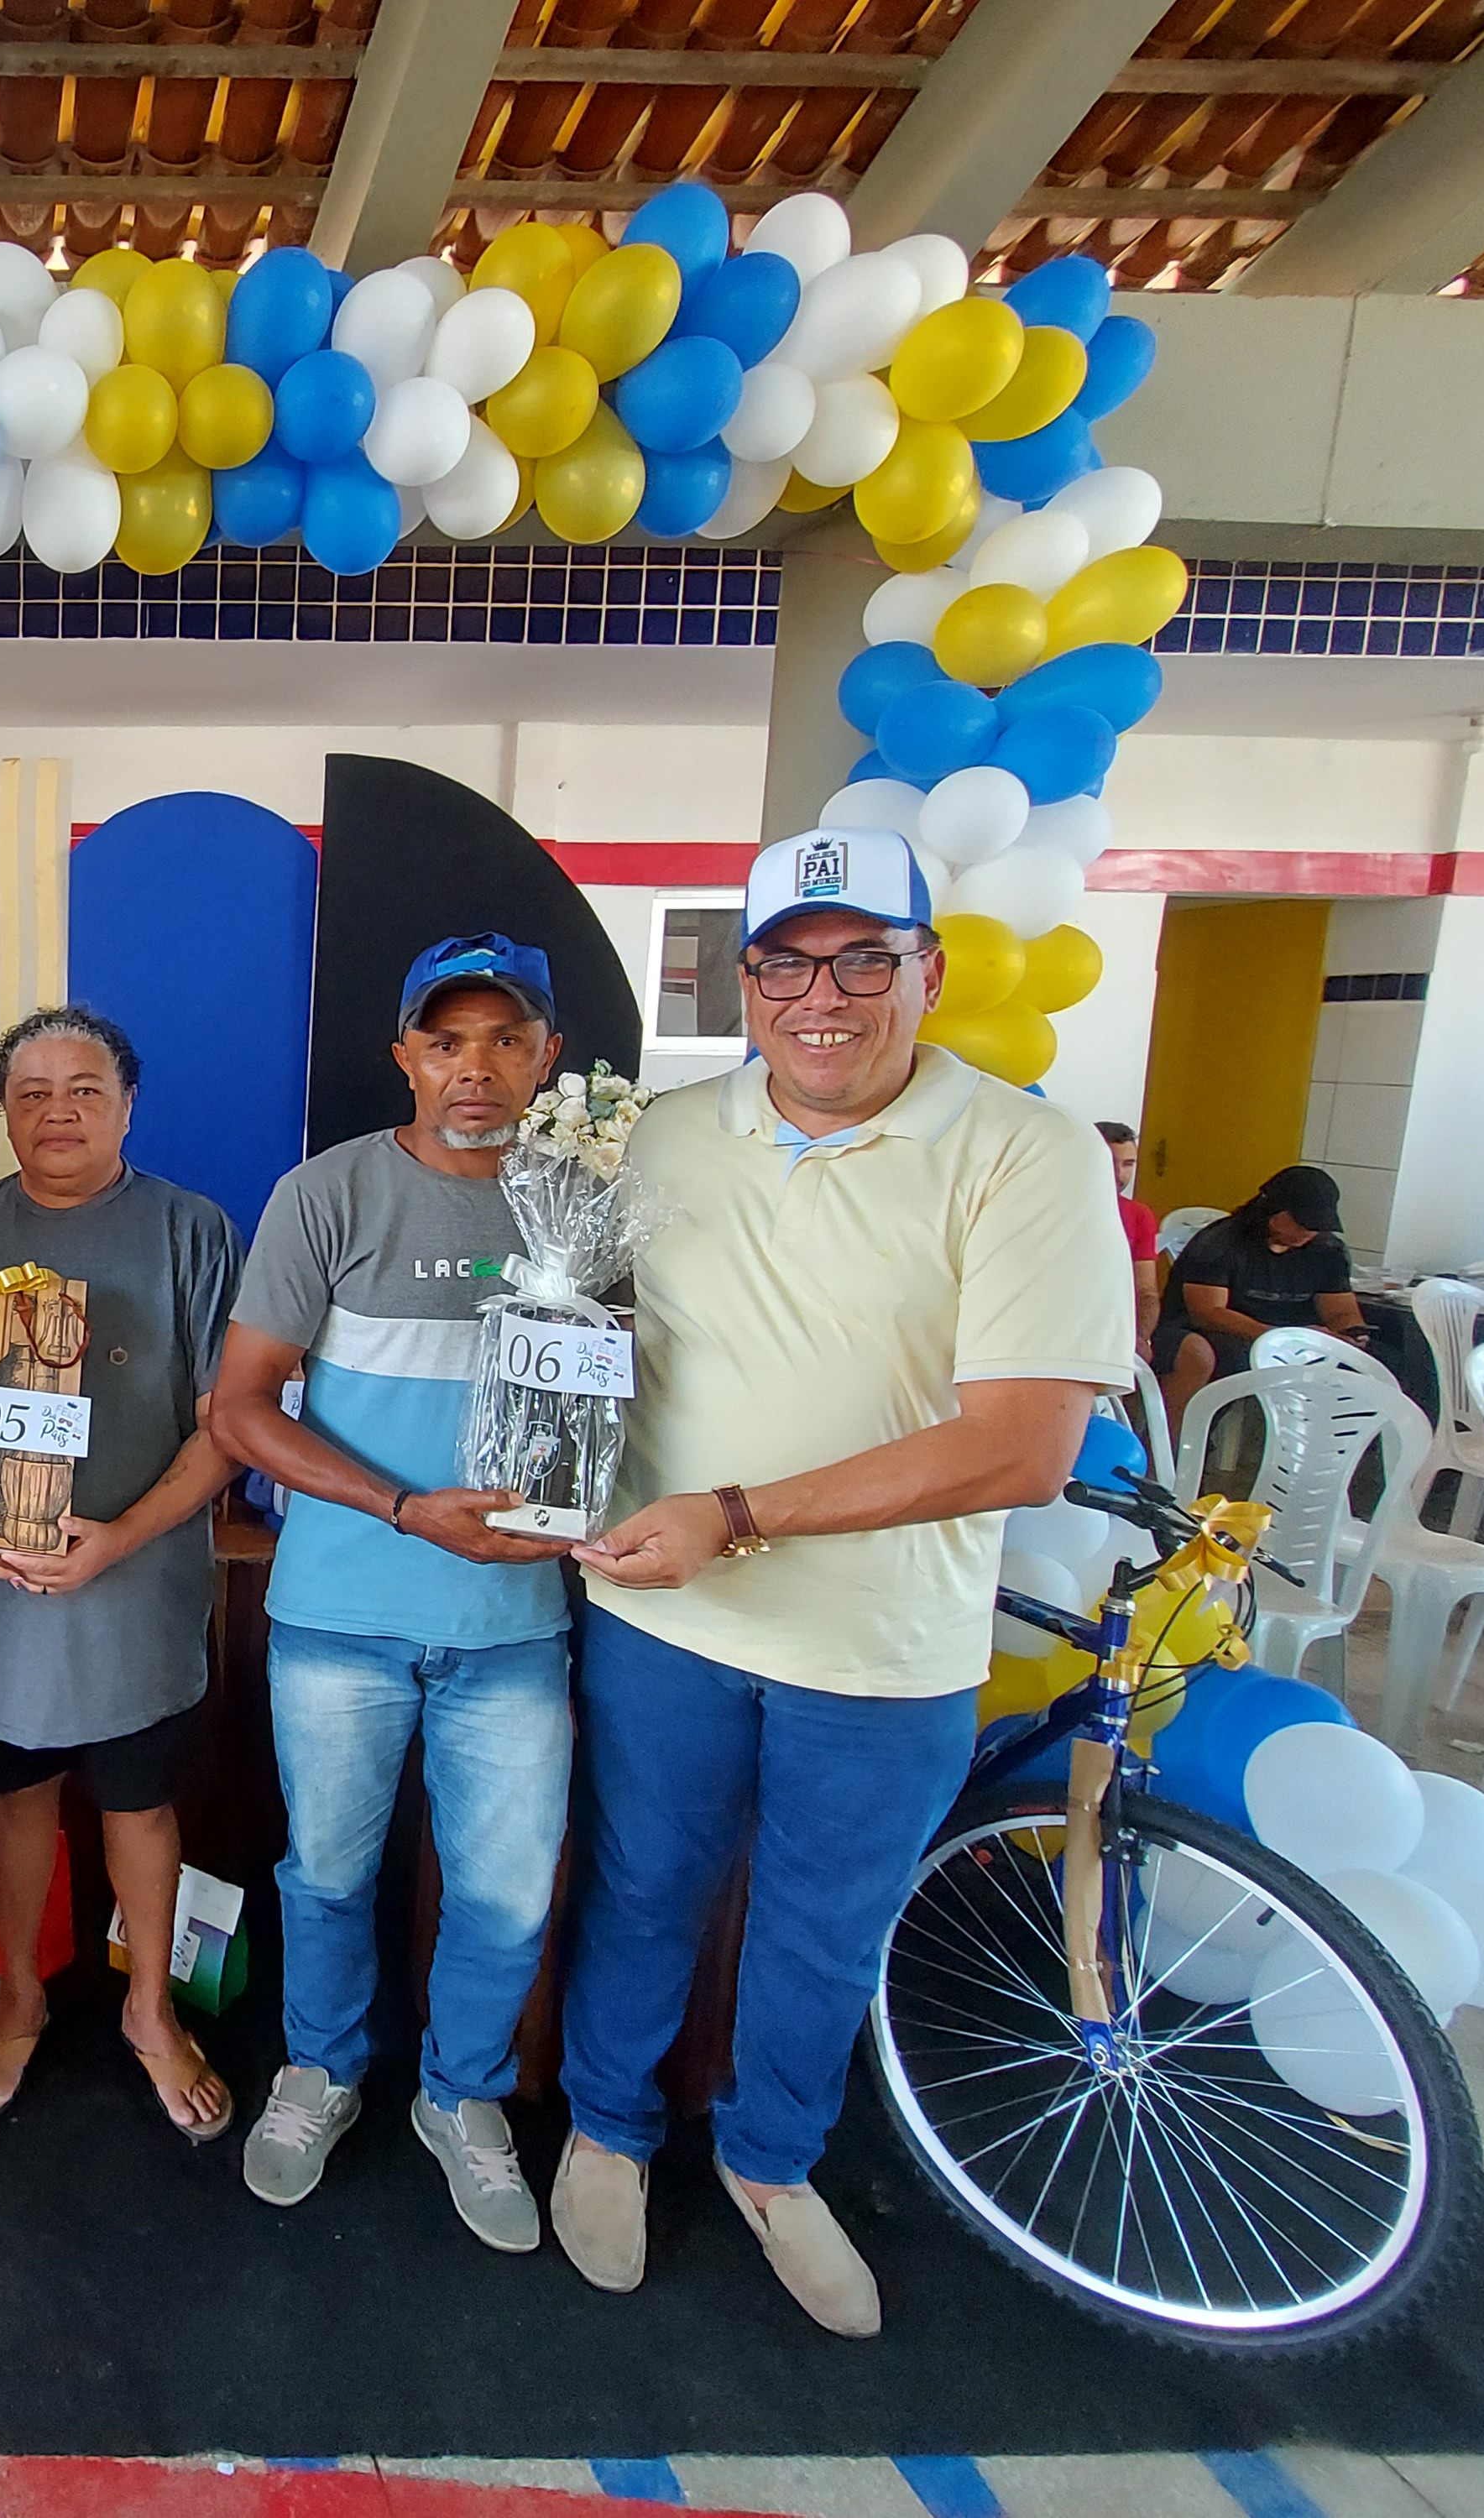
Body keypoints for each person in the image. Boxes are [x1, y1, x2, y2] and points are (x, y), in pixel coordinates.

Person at [558, 829, 1131, 2338]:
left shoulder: (1029, 1153)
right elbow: (585, 1335)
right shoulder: (658, 1138)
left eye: (864, 958)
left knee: (823, 1934)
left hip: (886, 1648)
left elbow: (1022, 1446)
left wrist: (737, 1515)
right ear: (745, 984)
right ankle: (608, 2132)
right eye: (787, 964)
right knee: (641, 1890)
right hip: (662, 1619)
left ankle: (772, 2163)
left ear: (929, 973)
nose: (824, 997)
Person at [206, 938, 578, 2247]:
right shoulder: (328, 1195)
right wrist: (405, 1508)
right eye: (446, 1040)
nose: (475, 1067)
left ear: (546, 1056)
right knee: (326, 1874)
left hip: (516, 1625)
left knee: (507, 1896)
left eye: (505, 1040)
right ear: (404, 1057)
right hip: (340, 1618)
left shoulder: (584, 1211)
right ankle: (321, 2070)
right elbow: (240, 1408)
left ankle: (462, 2096)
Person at [0, 1006, 242, 2140]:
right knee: (16, 1799)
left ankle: (150, 2010)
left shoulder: (192, 1231)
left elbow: (228, 1424)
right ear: (2, 1110)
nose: (58, 1113)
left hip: (138, 1589)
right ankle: (17, 1995)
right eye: (32, 1093)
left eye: (85, 1090)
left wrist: (119, 1535)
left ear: (128, 1104)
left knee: (139, 1807)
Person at [1152, 1165, 1366, 1427]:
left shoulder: (1327, 1250)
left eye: (1316, 1228)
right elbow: (1207, 1313)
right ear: (1273, 1211)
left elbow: (1340, 1308)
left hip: (1291, 1336)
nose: (1308, 1234)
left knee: (1369, 1362)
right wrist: (1279, 1336)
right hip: (1219, 1331)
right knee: (1219, 1356)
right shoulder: (1221, 1242)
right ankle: (1183, 1439)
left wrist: (1350, 1333)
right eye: (1301, 1224)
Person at [1100, 1121, 1158, 1356]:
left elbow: (1147, 1291)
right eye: (1110, 1162)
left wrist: (1141, 1337)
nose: (1119, 1174)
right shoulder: (1055, 1207)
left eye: (1128, 1164)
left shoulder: (1139, 1215)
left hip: (1116, 1324)